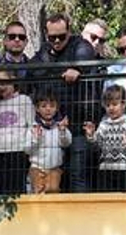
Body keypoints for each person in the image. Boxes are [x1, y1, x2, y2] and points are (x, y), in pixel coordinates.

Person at [32, 12, 100, 192]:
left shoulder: (80, 45)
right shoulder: (44, 51)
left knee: (77, 176)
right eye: (52, 37)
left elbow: (86, 56)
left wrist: (77, 68)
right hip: (51, 130)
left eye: (61, 36)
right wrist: (65, 70)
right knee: (51, 179)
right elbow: (32, 70)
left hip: (77, 125)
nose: (56, 41)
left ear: (69, 32)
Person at [85, 83, 126, 191]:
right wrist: (91, 135)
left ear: (123, 104)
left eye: (115, 104)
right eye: (108, 105)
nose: (111, 108)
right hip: (106, 168)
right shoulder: (104, 123)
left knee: (124, 198)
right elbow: (97, 143)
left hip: (124, 168)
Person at [0, 69, 34, 193]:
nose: (1, 86)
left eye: (4, 82)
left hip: (18, 149)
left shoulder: (23, 100)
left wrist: (28, 146)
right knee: (3, 186)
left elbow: (31, 124)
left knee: (17, 186)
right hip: (0, 150)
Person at [27, 91, 72, 192]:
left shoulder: (59, 125)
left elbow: (67, 143)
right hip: (36, 167)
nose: (48, 109)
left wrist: (63, 131)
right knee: (38, 190)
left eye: (52, 106)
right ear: (37, 109)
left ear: (57, 108)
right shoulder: (33, 127)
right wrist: (35, 139)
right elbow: (27, 150)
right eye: (43, 106)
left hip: (54, 167)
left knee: (53, 189)